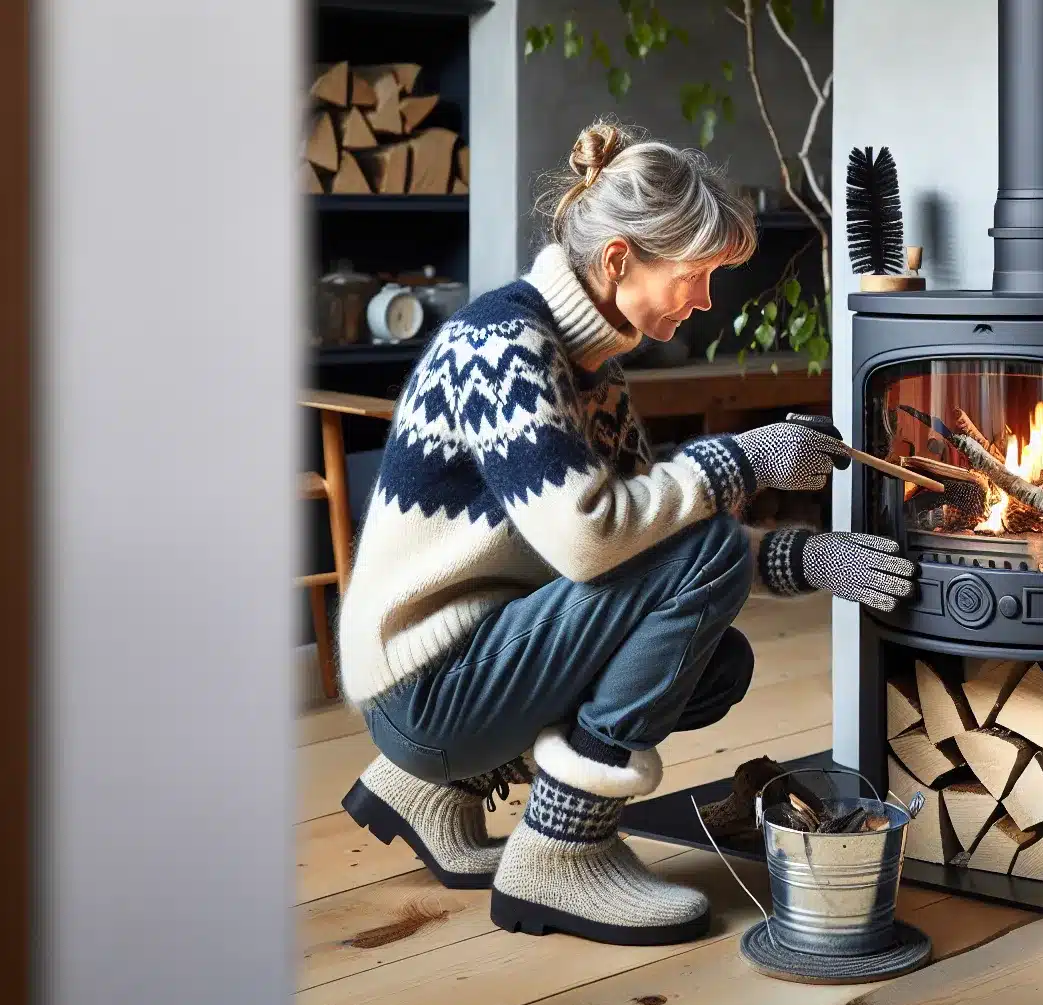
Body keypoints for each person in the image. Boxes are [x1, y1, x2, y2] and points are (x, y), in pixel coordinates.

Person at [332, 118, 918, 947]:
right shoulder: (502, 344)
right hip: (428, 681)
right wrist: (744, 460)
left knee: (713, 667)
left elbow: (651, 542)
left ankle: (436, 786)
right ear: (618, 259)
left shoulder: (591, 372)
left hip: (476, 661)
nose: (706, 300)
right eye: (696, 276)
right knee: (702, 564)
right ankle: (561, 850)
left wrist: (804, 556)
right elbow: (591, 539)